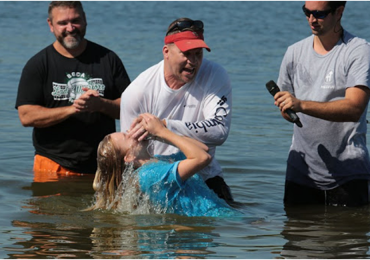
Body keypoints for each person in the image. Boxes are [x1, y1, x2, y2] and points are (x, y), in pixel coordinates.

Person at [120, 18, 234, 203]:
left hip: (206, 177)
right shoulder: (137, 92)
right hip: (160, 180)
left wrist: (164, 127)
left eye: (198, 54)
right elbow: (129, 155)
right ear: (166, 51)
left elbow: (219, 132)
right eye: (186, 54)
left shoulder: (215, 75)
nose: (193, 62)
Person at [15, 1, 131, 176]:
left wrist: (100, 104)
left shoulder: (108, 59)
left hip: (103, 163)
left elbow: (131, 107)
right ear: (51, 25)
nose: (70, 28)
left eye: (75, 20)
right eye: (62, 23)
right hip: (52, 163)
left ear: (85, 20)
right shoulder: (38, 64)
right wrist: (73, 109)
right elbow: (26, 115)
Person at [273, 1, 370, 206]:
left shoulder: (358, 51)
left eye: (319, 14)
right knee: (297, 237)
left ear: (339, 12)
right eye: (307, 12)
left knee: (349, 238)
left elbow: (354, 108)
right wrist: (287, 107)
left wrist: (301, 105)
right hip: (301, 173)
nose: (311, 19)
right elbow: (288, 111)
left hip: (349, 173)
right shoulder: (293, 52)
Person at [89, 113, 240, 217]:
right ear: (129, 157)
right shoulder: (149, 175)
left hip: (224, 216)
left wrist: (160, 135)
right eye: (126, 136)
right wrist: (162, 131)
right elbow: (202, 158)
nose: (131, 131)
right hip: (219, 220)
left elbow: (202, 148)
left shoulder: (159, 161)